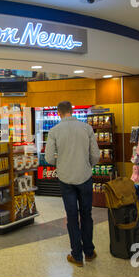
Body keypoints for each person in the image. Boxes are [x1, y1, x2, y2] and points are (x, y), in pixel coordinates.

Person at [45, 101, 100, 267]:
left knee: (72, 217)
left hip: (65, 179)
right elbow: (95, 155)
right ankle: (89, 252)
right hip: (84, 177)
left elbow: (48, 158)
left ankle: (77, 255)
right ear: (72, 110)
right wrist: (87, 165)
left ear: (59, 113)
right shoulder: (87, 128)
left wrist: (61, 163)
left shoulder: (54, 131)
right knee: (86, 214)